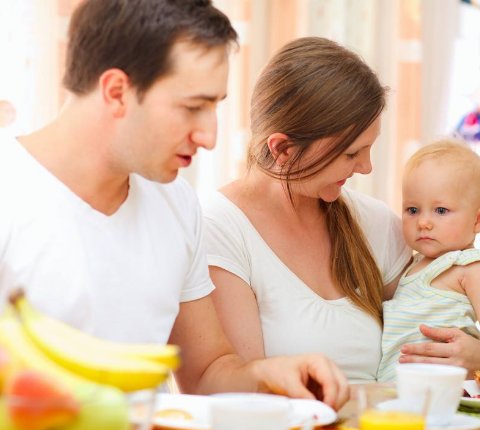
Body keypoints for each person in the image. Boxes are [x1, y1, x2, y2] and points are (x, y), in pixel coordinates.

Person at [0, 0, 348, 408]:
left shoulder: (176, 204)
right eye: (193, 107)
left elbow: (205, 372)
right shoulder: (12, 192)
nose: (210, 136)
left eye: (215, 106)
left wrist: (267, 376)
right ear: (116, 92)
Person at [201, 37, 480, 383]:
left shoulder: (376, 223)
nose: (366, 167)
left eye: (369, 149)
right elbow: (232, 389)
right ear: (282, 149)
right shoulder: (219, 229)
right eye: (351, 154)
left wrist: (478, 357)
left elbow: (434, 324)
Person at [377, 139, 480, 382]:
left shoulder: (469, 265)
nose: (423, 222)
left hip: (440, 389)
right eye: (413, 210)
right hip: (396, 387)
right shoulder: (412, 265)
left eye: (441, 210)